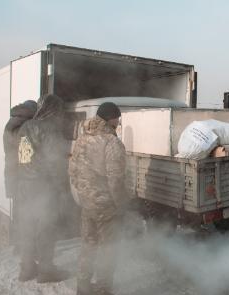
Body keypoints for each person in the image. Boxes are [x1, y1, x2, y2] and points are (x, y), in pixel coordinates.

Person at [69, 102, 129, 295]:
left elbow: (73, 172)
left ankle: (83, 287)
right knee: (107, 249)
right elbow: (115, 179)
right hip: (106, 206)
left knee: (88, 244)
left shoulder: (82, 139)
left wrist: (83, 194)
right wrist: (121, 204)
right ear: (110, 118)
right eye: (117, 118)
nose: (119, 122)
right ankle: (103, 289)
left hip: (87, 203)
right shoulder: (112, 143)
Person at [17, 94, 70, 282]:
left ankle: (27, 269)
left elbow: (22, 158)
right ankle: (46, 271)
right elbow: (55, 162)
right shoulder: (50, 129)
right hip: (44, 186)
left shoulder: (25, 127)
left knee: (27, 227)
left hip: (24, 185)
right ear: (53, 110)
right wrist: (62, 187)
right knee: (46, 228)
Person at [3, 100, 37, 252]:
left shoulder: (11, 123)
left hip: (12, 173)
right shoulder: (24, 127)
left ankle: (19, 244)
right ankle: (24, 247)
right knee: (26, 211)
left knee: (18, 210)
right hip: (22, 175)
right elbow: (25, 155)